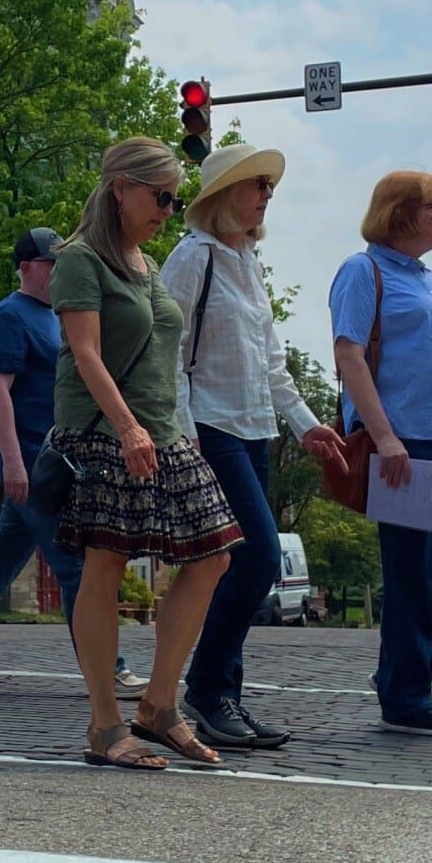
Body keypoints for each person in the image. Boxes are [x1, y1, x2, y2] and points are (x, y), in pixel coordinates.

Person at [53, 137, 242, 771]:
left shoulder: (146, 262)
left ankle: (157, 706)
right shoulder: (81, 260)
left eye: (175, 197)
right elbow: (85, 353)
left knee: (214, 554)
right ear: (120, 190)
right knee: (105, 565)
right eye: (160, 196)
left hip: (163, 430)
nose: (170, 207)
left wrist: (165, 429)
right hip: (106, 430)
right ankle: (104, 725)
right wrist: (129, 427)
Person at [162, 143, 344, 751]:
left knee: (243, 563)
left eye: (270, 185)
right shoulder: (193, 258)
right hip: (210, 429)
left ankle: (220, 695)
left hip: (254, 429)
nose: (268, 194)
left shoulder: (248, 262)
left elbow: (272, 362)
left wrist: (305, 424)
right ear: (223, 195)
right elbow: (167, 355)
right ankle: (206, 691)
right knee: (260, 556)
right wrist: (183, 437)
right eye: (257, 183)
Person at [0, 229, 144, 693]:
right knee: (77, 564)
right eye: (51, 263)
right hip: (34, 465)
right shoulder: (9, 316)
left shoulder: (56, 317)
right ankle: (107, 665)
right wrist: (14, 465)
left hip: (59, 462)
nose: (60, 270)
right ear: (26, 267)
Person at [332, 169, 432, 739]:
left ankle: (404, 677)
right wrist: (383, 437)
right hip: (408, 445)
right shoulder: (364, 270)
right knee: (413, 572)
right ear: (400, 213)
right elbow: (350, 354)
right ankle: (405, 697)